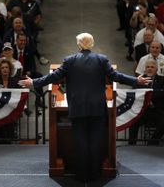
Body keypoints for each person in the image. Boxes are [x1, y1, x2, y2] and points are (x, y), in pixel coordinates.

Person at [19, 33, 149, 182]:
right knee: (95, 142)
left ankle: (81, 176)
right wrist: (136, 81)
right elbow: (116, 76)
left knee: (80, 143)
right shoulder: (102, 60)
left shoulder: (69, 61)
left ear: (79, 45)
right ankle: (94, 175)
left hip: (78, 108)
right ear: (92, 44)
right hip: (97, 108)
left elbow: (53, 78)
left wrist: (33, 83)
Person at [129, 59, 164, 145]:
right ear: (145, 69)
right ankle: (131, 144)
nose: (150, 69)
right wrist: (146, 100)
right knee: (133, 122)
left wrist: (148, 98)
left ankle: (152, 142)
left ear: (157, 69)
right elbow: (135, 94)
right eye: (147, 67)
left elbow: (163, 93)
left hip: (157, 110)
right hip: (142, 110)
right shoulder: (139, 80)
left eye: (152, 67)